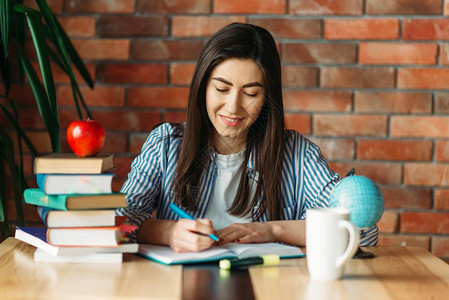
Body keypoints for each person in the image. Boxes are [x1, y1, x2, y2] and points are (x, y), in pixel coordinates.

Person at [116, 22, 378, 252]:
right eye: (221, 89)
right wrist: (169, 233)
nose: (232, 107)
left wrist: (275, 231)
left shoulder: (297, 155)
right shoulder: (165, 144)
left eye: (251, 94)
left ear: (267, 98)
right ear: (202, 88)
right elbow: (120, 220)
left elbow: (359, 231)